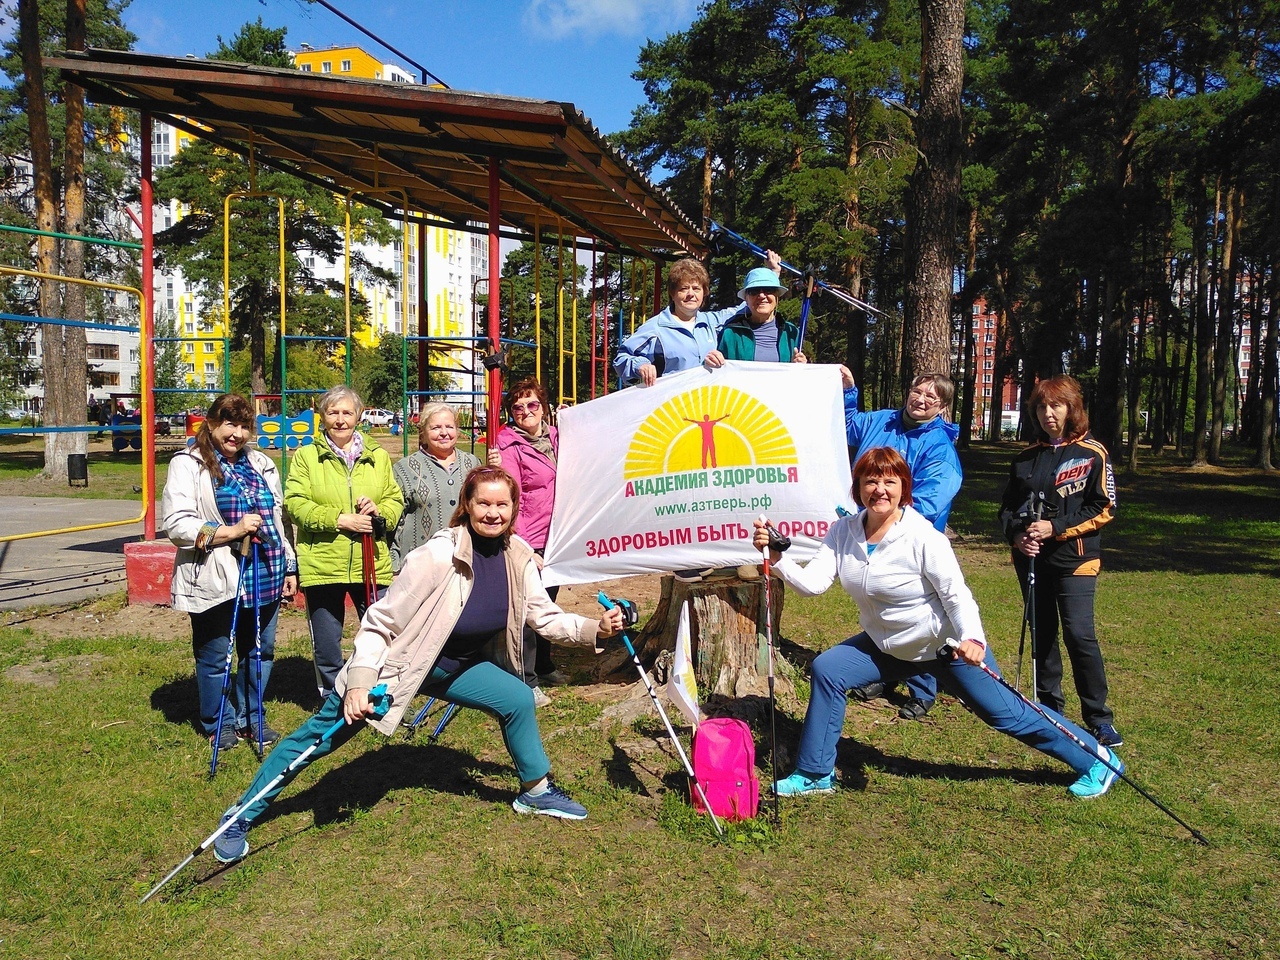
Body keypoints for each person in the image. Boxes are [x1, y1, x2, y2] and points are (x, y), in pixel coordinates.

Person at [211, 466, 626, 864]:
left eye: (502, 505)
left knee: (517, 698)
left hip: (455, 666)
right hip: (397, 668)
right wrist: (358, 682)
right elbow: (380, 622)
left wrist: (597, 628)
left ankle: (534, 791)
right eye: (483, 503)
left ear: (514, 509)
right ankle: (240, 815)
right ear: (467, 504)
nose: (493, 513)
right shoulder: (437, 556)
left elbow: (544, 616)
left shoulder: (517, 556)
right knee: (319, 738)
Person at [755, 447, 1123, 800]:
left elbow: (956, 595)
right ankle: (816, 773)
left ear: (903, 490)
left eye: (889, 482)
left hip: (943, 648)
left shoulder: (923, 537)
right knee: (828, 669)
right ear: (858, 488)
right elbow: (813, 585)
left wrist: (972, 639)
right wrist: (777, 558)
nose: (879, 490)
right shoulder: (843, 532)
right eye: (870, 481)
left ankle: (1098, 760)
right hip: (887, 646)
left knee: (1011, 716)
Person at [161, 393, 298, 753]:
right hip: (216, 574)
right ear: (211, 424)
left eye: (243, 425)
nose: (236, 433)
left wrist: (289, 565)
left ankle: (252, 717)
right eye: (228, 424)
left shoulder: (262, 464)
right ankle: (218, 721)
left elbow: (278, 518)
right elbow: (177, 525)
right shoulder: (188, 464)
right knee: (215, 654)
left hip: (265, 570)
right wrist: (232, 532)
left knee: (259, 652)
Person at [998, 375, 1121, 747]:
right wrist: (1017, 536)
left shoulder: (1092, 453)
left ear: (1072, 409)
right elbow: (1007, 508)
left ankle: (1099, 718)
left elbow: (1104, 507)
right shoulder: (1025, 458)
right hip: (1032, 561)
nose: (1048, 414)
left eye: (1056, 406)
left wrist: (1057, 528)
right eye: (1041, 407)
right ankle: (1049, 709)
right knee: (1044, 634)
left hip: (1076, 560)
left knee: (1079, 635)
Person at [838, 370, 963, 720]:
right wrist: (850, 390)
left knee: (917, 614)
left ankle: (923, 690)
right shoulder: (882, 421)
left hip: (913, 542)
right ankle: (884, 674)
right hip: (871, 534)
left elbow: (932, 498)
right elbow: (848, 426)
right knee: (881, 603)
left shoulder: (939, 447)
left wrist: (889, 520)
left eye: (931, 397)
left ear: (942, 407)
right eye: (916, 391)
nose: (920, 400)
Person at [285, 385, 404, 701]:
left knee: (380, 633)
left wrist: (380, 512)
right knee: (326, 640)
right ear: (322, 416)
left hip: (371, 562)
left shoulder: (377, 456)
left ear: (359, 415)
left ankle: (381, 694)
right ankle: (333, 699)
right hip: (323, 561)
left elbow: (394, 498)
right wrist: (339, 519)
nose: (340, 420)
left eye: (347, 412)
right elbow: (295, 502)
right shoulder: (307, 457)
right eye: (333, 412)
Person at [486, 379, 566, 704]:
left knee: (549, 602)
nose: (525, 412)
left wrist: (573, 420)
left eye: (532, 404)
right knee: (528, 610)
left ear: (543, 406)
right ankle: (525, 679)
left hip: (558, 535)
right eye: (517, 408)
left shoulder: (558, 436)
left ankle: (544, 664)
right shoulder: (507, 447)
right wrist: (523, 546)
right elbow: (510, 500)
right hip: (528, 538)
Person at [612, 251, 784, 387]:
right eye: (683, 288)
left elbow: (749, 304)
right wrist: (640, 365)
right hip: (671, 409)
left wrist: (772, 275)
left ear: (704, 293)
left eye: (696, 288)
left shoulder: (712, 322)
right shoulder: (655, 328)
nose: (690, 294)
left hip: (706, 407)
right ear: (672, 294)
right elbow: (621, 358)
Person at [391, 402, 481, 573]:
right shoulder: (404, 469)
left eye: (449, 426)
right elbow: (395, 522)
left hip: (466, 562)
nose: (444, 433)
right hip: (420, 566)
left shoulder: (472, 464)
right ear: (423, 432)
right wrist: (394, 566)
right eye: (436, 428)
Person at [715, 267, 807, 363]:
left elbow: (797, 374)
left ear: (777, 296)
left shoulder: (791, 332)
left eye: (768, 290)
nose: (762, 296)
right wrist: (712, 361)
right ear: (746, 299)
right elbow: (716, 370)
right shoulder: (731, 333)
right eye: (754, 291)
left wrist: (801, 366)